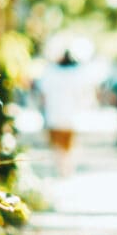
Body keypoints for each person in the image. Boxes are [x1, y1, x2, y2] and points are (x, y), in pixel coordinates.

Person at [35, 50, 90, 179]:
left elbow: (42, 94)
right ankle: (67, 169)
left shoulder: (50, 73)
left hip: (53, 114)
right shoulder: (76, 74)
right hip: (71, 116)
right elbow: (82, 94)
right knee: (69, 145)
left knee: (57, 144)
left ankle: (61, 168)